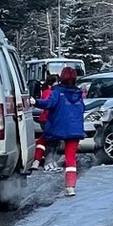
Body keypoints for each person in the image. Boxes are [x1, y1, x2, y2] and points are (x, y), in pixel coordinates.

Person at [28, 66, 85, 196]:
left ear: (62, 77)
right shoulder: (78, 93)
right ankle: (70, 187)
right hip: (75, 129)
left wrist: (35, 102)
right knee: (70, 158)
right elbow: (82, 108)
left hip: (58, 127)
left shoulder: (57, 91)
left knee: (43, 140)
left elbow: (49, 104)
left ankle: (36, 161)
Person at [30, 73, 59, 171]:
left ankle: (38, 160)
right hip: (48, 120)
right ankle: (45, 161)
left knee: (45, 140)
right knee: (50, 141)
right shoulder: (49, 92)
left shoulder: (47, 92)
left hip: (47, 120)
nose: (58, 84)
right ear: (51, 84)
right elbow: (48, 105)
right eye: (56, 82)